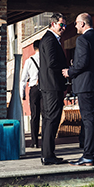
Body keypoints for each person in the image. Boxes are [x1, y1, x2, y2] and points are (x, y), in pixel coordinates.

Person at [64, 13, 94, 166]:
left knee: (89, 120)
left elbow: (82, 63)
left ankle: (88, 155)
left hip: (85, 85)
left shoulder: (82, 39)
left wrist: (70, 71)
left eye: (76, 23)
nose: (75, 26)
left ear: (82, 24)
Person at [38, 13, 68, 165]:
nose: (63, 28)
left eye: (65, 26)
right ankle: (48, 155)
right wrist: (66, 70)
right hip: (52, 86)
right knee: (51, 120)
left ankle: (48, 154)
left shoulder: (51, 39)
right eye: (61, 25)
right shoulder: (50, 39)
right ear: (53, 24)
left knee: (50, 120)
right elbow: (51, 62)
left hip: (51, 85)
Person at [20, 41, 41, 149]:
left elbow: (23, 79)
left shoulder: (29, 61)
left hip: (34, 88)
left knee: (34, 115)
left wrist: (22, 93)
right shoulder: (46, 59)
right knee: (47, 115)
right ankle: (46, 140)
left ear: (34, 48)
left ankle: (34, 141)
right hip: (46, 88)